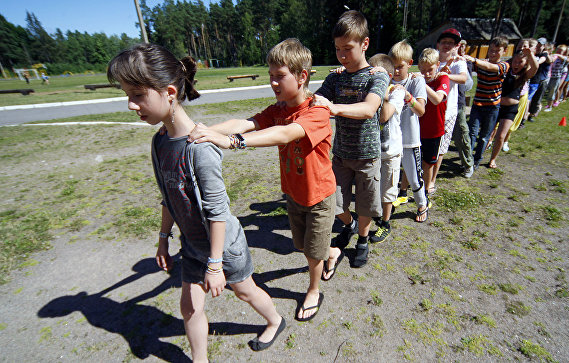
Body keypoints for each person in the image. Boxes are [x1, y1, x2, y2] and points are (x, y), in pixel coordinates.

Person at [107, 43, 285, 359]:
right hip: (191, 246)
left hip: (224, 247)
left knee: (244, 291)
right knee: (190, 307)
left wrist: (216, 265)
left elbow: (218, 212)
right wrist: (163, 239)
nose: (131, 105)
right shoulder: (160, 141)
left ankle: (275, 319)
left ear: (170, 92)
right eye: (127, 95)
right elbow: (169, 197)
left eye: (137, 94)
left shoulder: (199, 149)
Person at [187, 38, 336, 322]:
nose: (273, 83)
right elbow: (246, 123)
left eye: (280, 76)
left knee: (312, 255)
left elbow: (284, 134)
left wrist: (232, 142)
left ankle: (314, 289)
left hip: (319, 196)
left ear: (302, 76)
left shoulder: (317, 111)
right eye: (270, 76)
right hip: (294, 193)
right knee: (304, 246)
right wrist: (200, 131)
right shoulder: (278, 109)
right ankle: (332, 249)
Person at [313, 10, 389, 268]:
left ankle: (363, 240)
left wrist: (333, 107)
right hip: (341, 155)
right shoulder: (335, 77)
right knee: (333, 202)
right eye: (337, 49)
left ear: (365, 44)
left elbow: (369, 109)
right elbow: (314, 99)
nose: (342, 55)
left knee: (366, 204)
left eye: (347, 49)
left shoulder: (377, 76)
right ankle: (351, 224)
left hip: (368, 157)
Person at [387, 40, 428, 222]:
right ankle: (385, 209)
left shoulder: (416, 80)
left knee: (413, 178)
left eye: (400, 67)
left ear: (410, 64)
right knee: (388, 178)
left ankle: (422, 204)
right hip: (389, 140)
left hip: (410, 140)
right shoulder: (386, 79)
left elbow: (421, 110)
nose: (395, 71)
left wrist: (408, 96)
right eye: (392, 66)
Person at [367, 53, 405, 242]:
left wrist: (382, 89)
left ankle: (385, 223)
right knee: (372, 188)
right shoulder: (368, 90)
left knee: (388, 190)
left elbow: (384, 116)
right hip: (372, 151)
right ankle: (374, 215)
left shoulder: (397, 91)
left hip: (390, 152)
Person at [430, 28, 472, 193]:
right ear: (438, 44)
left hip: (448, 113)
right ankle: (423, 175)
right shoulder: (433, 59)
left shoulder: (458, 62)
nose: (447, 46)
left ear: (457, 46)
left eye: (451, 43)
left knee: (441, 148)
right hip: (429, 111)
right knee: (426, 146)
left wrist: (443, 75)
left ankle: (432, 180)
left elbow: (463, 78)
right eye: (444, 42)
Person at [462, 36, 510, 170]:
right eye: (491, 50)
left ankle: (477, 159)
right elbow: (470, 68)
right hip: (477, 105)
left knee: (484, 136)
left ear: (504, 51)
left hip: (492, 107)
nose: (493, 53)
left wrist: (474, 59)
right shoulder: (481, 63)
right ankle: (468, 160)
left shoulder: (504, 66)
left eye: (497, 51)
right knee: (471, 132)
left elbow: (490, 67)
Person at [487, 43, 538, 168]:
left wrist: (530, 54)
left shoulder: (524, 75)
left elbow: (535, 68)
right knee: (488, 133)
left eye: (520, 62)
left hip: (510, 109)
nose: (516, 64)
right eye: (515, 61)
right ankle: (479, 154)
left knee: (501, 136)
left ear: (525, 64)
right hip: (496, 106)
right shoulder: (506, 68)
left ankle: (493, 159)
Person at [417, 48, 449, 218]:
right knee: (415, 163)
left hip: (434, 131)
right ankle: (407, 191)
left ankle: (426, 192)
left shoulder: (442, 78)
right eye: (423, 70)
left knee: (428, 164)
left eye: (430, 69)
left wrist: (422, 83)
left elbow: (437, 99)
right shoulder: (419, 78)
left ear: (438, 65)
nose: (426, 73)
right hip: (417, 130)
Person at [451, 39, 475, 178]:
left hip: (458, 104)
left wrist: (463, 65)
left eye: (462, 47)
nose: (460, 49)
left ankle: (467, 163)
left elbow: (468, 85)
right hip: (442, 103)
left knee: (462, 134)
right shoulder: (441, 60)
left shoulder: (465, 62)